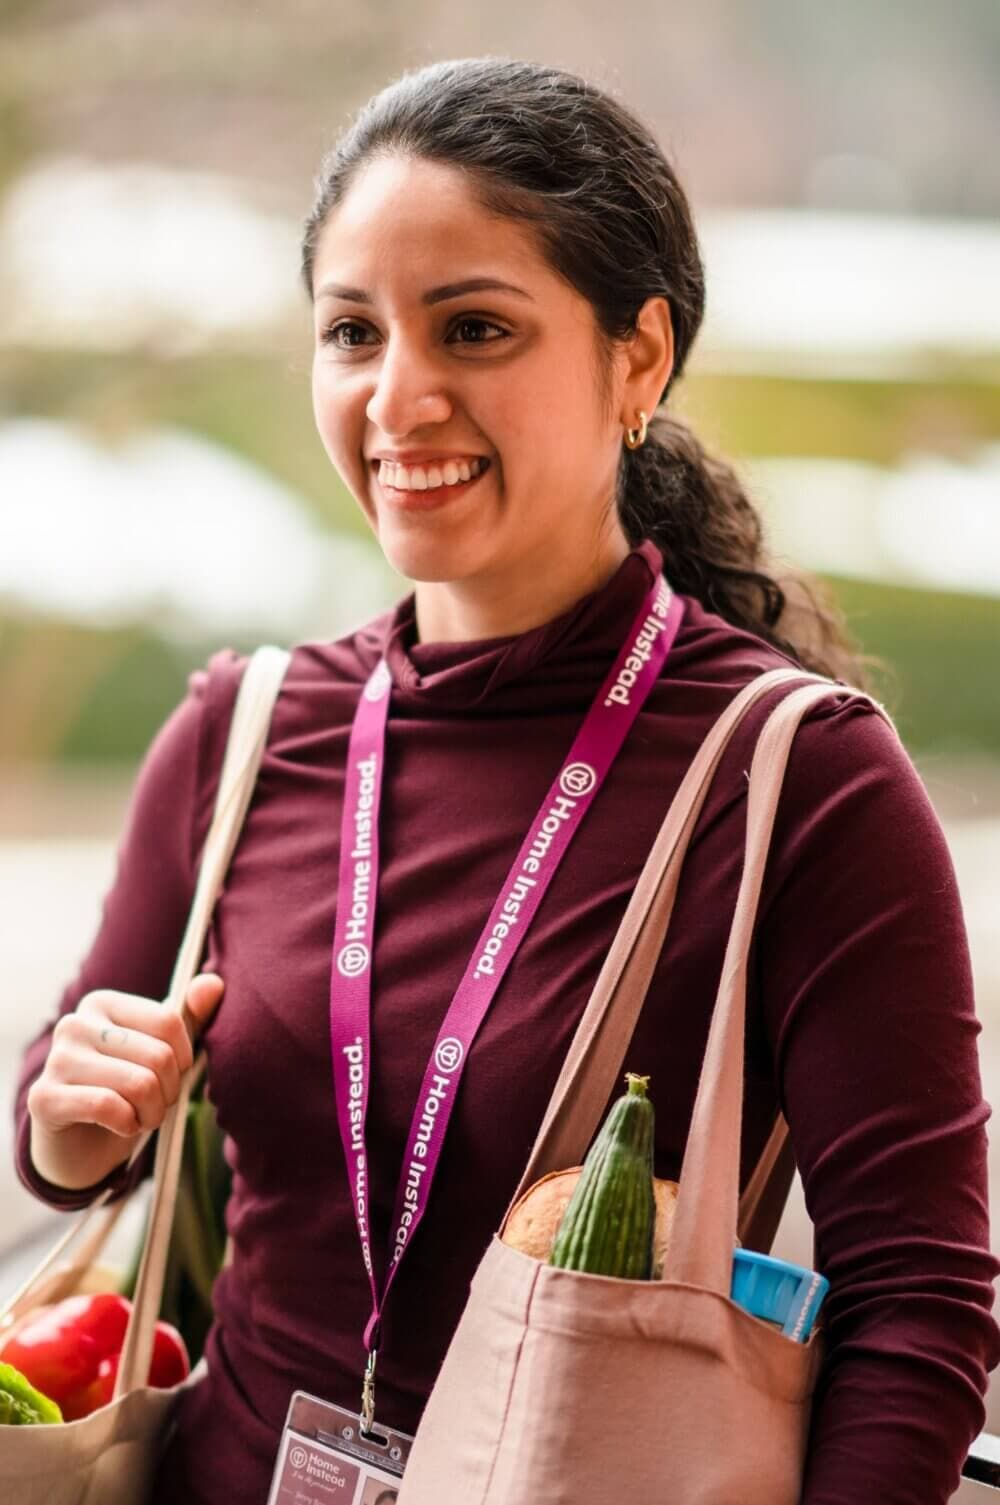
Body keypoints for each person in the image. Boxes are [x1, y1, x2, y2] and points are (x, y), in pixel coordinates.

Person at [12, 55, 998, 1505]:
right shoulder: (245, 729)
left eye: (474, 328)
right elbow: (67, 1125)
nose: (399, 396)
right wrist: (71, 1116)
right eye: (353, 331)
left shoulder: (799, 778)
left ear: (638, 358)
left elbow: (918, 1302)